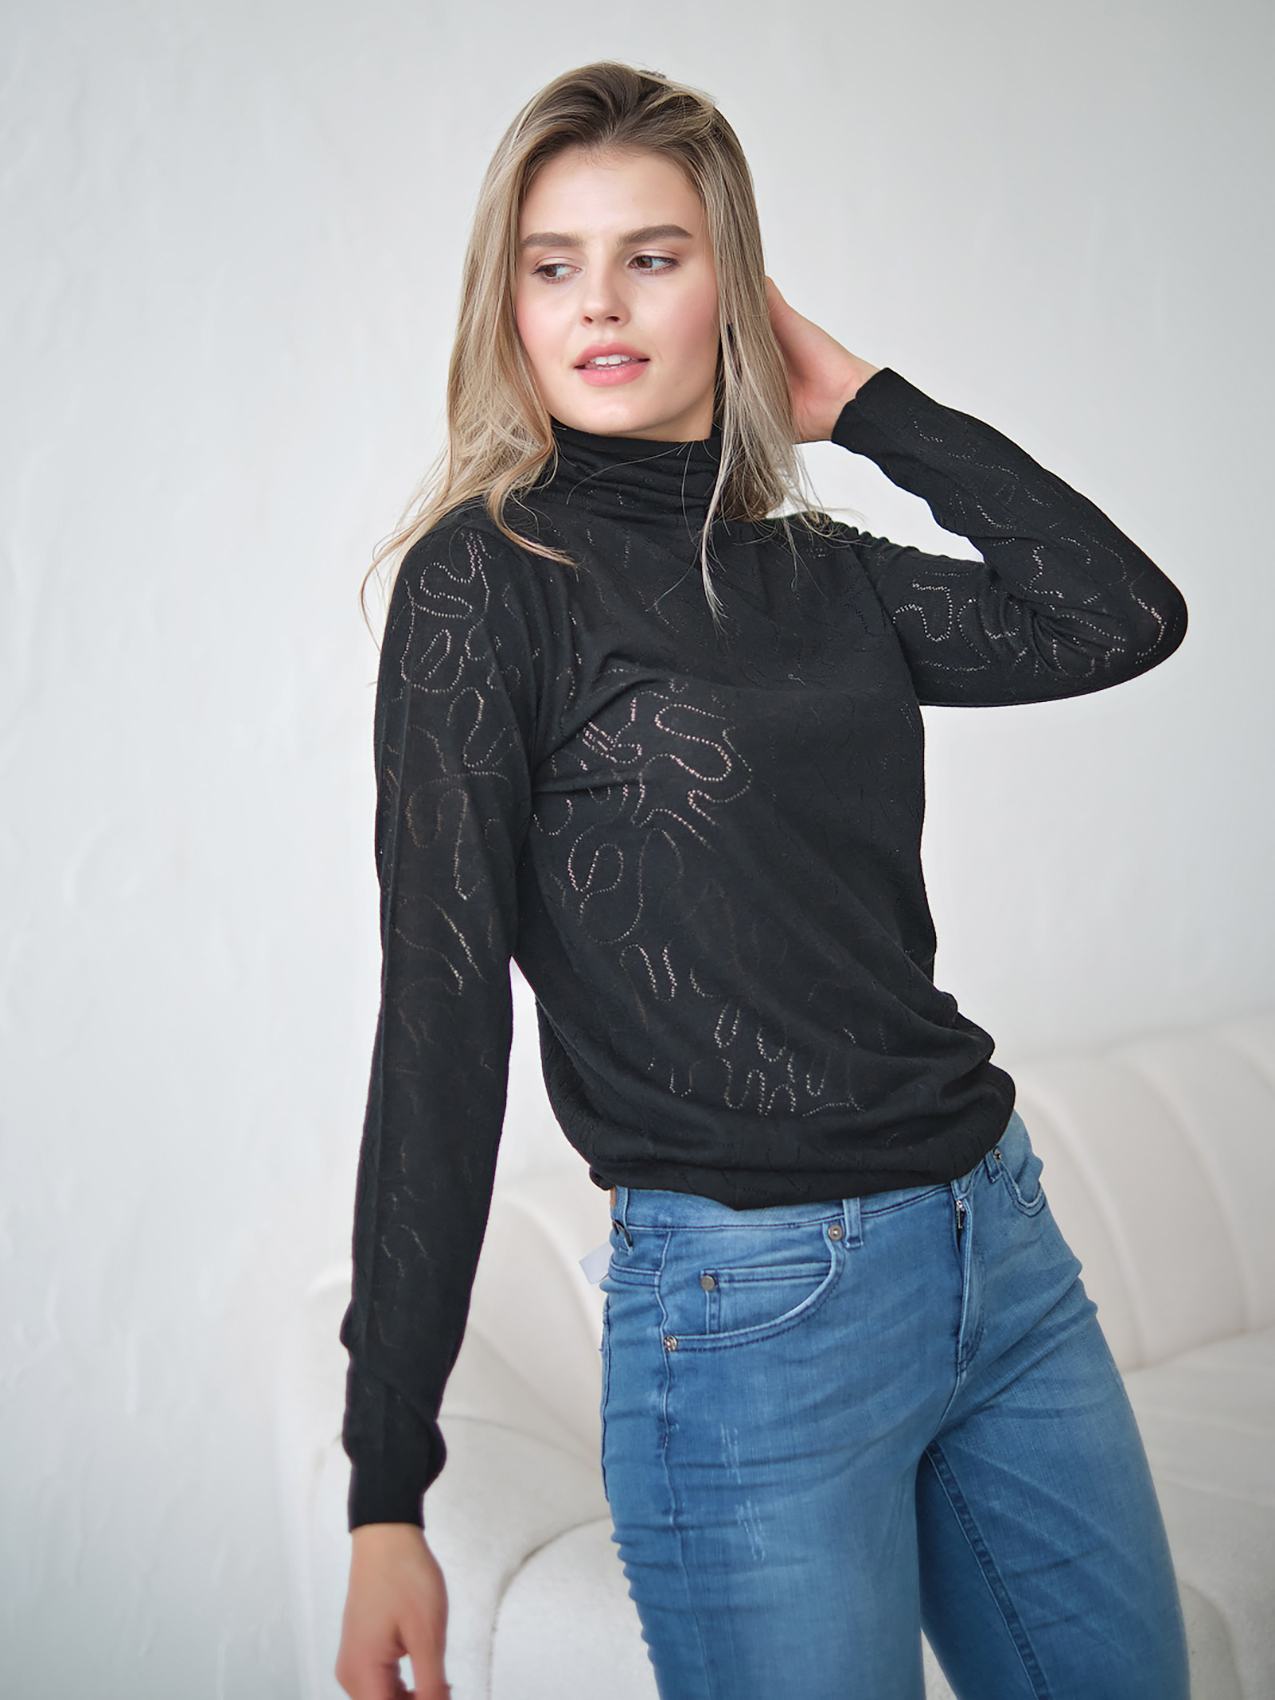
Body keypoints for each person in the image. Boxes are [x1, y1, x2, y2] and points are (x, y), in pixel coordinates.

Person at [334, 61, 1190, 1700]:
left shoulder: (817, 569)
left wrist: (865, 403)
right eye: (553, 263)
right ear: (506, 300)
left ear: (733, 285)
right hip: (751, 1314)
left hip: (1000, 1249)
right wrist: (389, 1485)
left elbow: (1120, 617)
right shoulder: (488, 583)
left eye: (653, 256)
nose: (599, 302)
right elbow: (440, 1023)